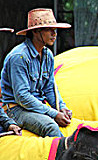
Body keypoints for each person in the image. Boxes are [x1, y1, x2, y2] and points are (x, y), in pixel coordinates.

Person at [1, 9, 72, 137]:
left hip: (37, 107)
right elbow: (22, 97)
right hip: (16, 109)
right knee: (51, 127)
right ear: (35, 32)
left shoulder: (48, 55)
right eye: (48, 29)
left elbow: (50, 87)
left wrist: (61, 107)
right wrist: (53, 114)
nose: (54, 33)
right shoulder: (19, 57)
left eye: (55, 30)